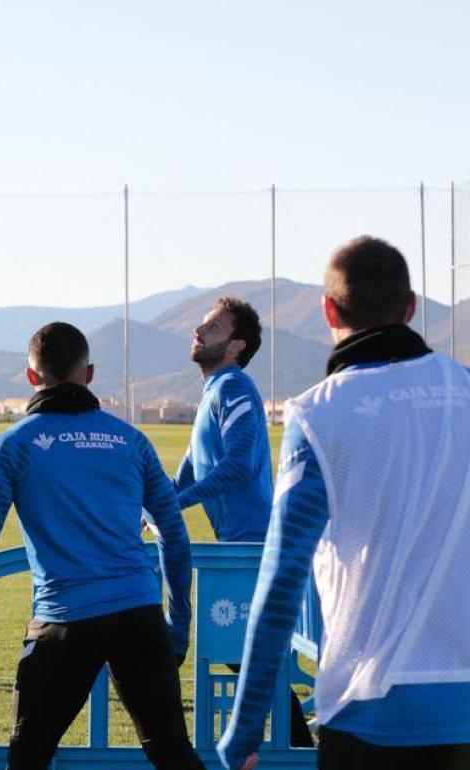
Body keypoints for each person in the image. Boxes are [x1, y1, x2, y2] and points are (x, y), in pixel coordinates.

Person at [218, 236, 470, 770]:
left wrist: (244, 728)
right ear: (410, 308)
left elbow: (282, 580)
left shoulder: (320, 415)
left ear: (330, 309)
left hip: (368, 710)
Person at [0, 322, 202, 770]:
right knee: (173, 754)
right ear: (88, 373)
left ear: (31, 378)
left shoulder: (12, 445)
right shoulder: (131, 440)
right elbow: (173, 534)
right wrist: (178, 622)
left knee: (28, 757)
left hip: (64, 621)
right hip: (139, 615)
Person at [175, 297, 314, 747]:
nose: (199, 330)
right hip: (238, 546)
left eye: (212, 327)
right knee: (247, 658)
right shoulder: (214, 390)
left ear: (236, 345)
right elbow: (192, 468)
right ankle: (297, 747)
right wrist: (158, 505)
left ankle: (299, 749)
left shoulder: (234, 387)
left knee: (250, 658)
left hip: (250, 547)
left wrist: (177, 503)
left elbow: (236, 465)